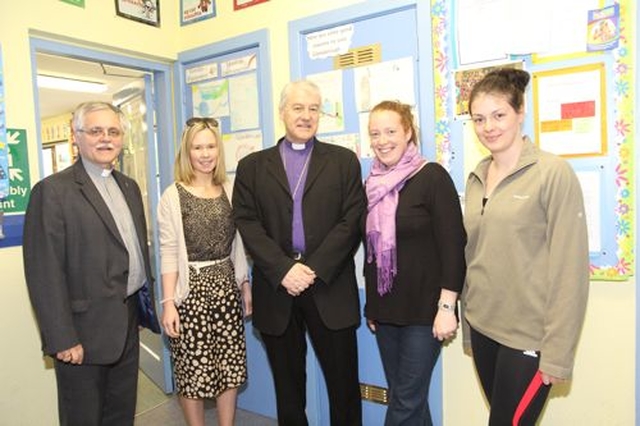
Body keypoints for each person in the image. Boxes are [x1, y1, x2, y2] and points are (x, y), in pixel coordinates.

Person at [233, 79, 365, 426]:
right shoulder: (252, 167)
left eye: (313, 109)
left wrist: (313, 269)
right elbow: (247, 222)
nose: (306, 116)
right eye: (298, 107)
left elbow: (352, 220)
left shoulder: (343, 161)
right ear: (282, 112)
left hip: (329, 286)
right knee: (288, 391)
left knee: (344, 389)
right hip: (277, 291)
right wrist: (283, 270)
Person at [462, 68, 589, 425]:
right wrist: (469, 327)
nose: (489, 127)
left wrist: (558, 354)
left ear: (520, 112)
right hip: (486, 329)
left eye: (499, 115)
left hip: (530, 336)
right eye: (479, 119)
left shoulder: (553, 173)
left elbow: (570, 271)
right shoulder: (476, 176)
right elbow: (473, 257)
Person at [23, 101, 160, 426]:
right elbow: (44, 272)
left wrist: (141, 308)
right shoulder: (53, 192)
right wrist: (62, 337)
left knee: (121, 413)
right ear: (76, 136)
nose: (105, 138)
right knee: (83, 417)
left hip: (125, 323)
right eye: (95, 130)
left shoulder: (128, 186)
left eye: (113, 131)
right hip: (81, 333)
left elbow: (134, 253)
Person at [363, 100, 466, 425]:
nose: (383, 140)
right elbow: (372, 252)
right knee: (409, 399)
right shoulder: (372, 184)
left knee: (404, 402)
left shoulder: (432, 176)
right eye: (375, 133)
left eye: (391, 131)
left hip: (426, 311)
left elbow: (454, 245)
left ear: (408, 132)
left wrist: (447, 307)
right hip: (386, 310)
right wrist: (372, 306)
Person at [157, 117, 252, 426]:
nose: (205, 153)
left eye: (210, 146)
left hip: (226, 288)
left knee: (230, 366)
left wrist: (244, 284)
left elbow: (238, 242)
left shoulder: (229, 187)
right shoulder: (173, 195)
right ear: (187, 151)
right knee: (192, 370)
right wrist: (168, 302)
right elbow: (169, 251)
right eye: (197, 147)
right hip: (191, 292)